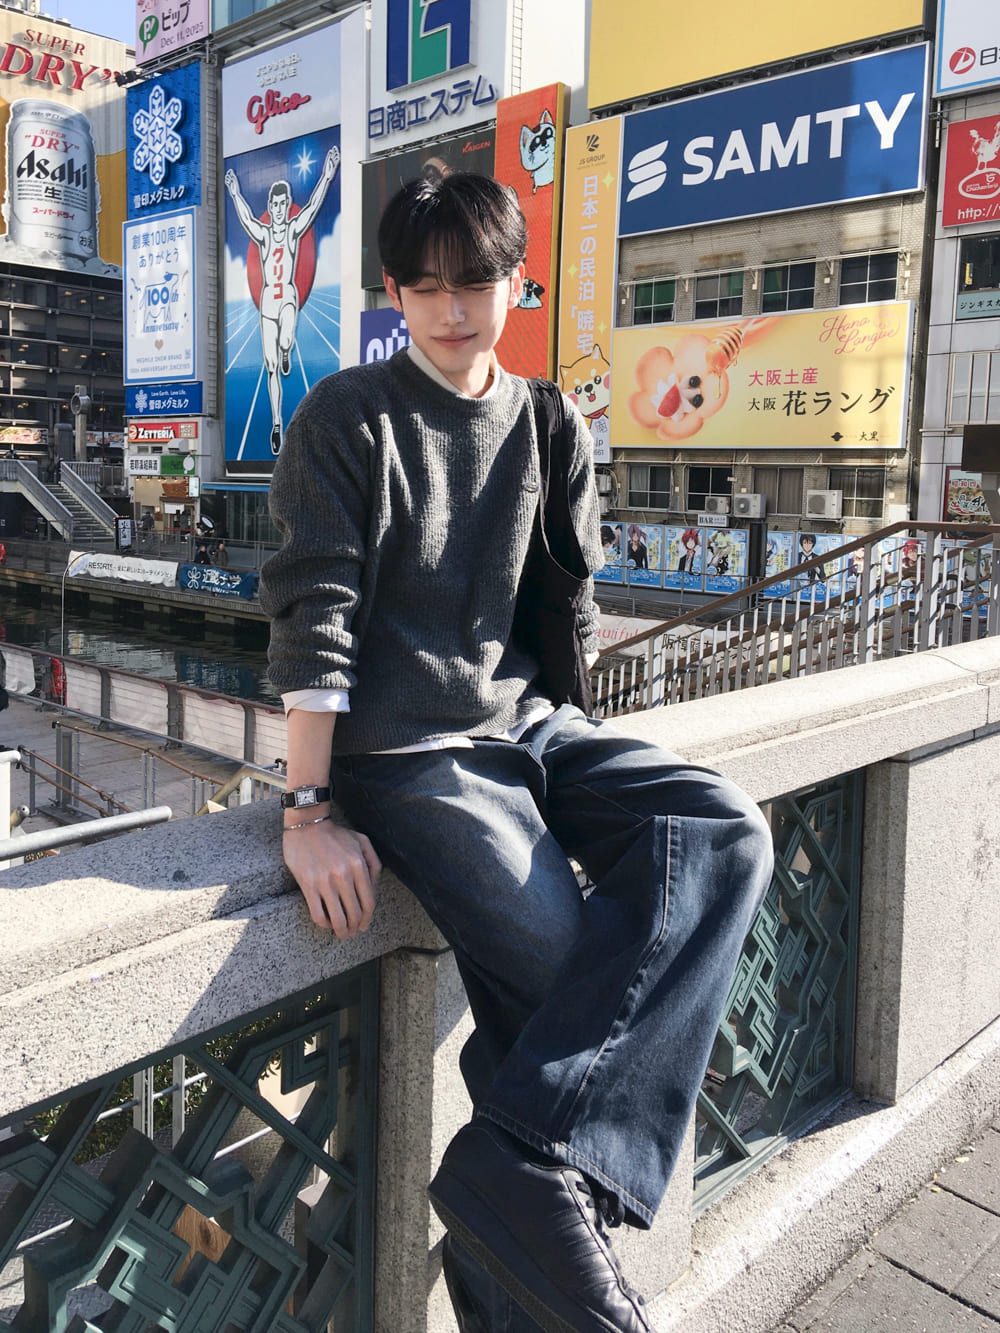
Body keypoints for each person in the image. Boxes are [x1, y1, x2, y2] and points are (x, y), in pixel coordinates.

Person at [258, 173, 773, 1333]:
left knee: (724, 830)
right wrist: (307, 810)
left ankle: (510, 1188)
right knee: (561, 970)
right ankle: (521, 1221)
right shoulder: (348, 416)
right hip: (410, 748)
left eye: (475, 282)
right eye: (424, 287)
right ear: (392, 293)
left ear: (516, 282)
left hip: (534, 728)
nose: (452, 310)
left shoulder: (551, 422)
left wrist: (573, 765)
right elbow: (315, 616)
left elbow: (567, 612)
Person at [226, 147, 341, 456]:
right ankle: (277, 423)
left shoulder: (292, 232)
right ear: (270, 206)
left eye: (283, 204)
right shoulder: (264, 236)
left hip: (288, 296)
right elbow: (246, 219)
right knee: (271, 366)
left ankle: (287, 348)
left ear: (287, 205)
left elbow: (313, 208)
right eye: (274, 204)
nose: (278, 209)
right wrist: (235, 193)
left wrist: (327, 175)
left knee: (286, 340)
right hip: (268, 303)